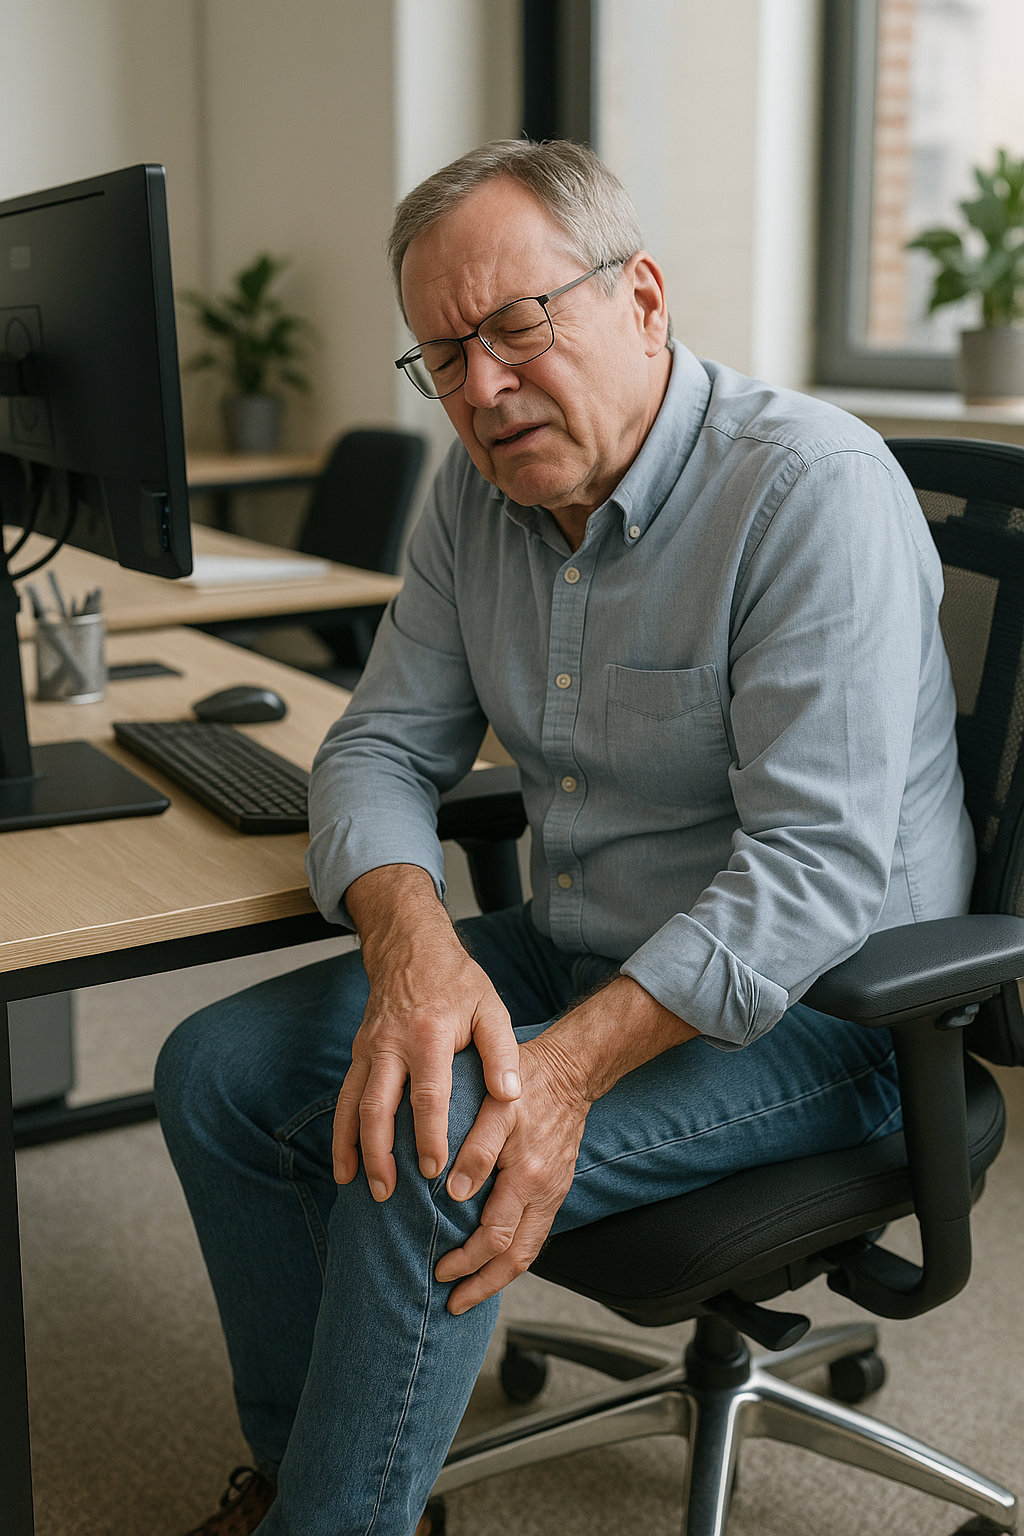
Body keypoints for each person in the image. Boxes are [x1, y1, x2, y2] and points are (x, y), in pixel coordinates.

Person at [156, 139, 974, 1536]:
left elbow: (814, 873)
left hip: (832, 1015)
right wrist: (415, 947)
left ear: (641, 298)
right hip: (581, 939)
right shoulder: (475, 494)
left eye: (517, 325)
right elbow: (378, 746)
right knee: (218, 1073)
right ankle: (321, 1485)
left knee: (439, 1152)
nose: (481, 388)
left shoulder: (808, 490)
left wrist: (562, 1073)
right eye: (442, 355)